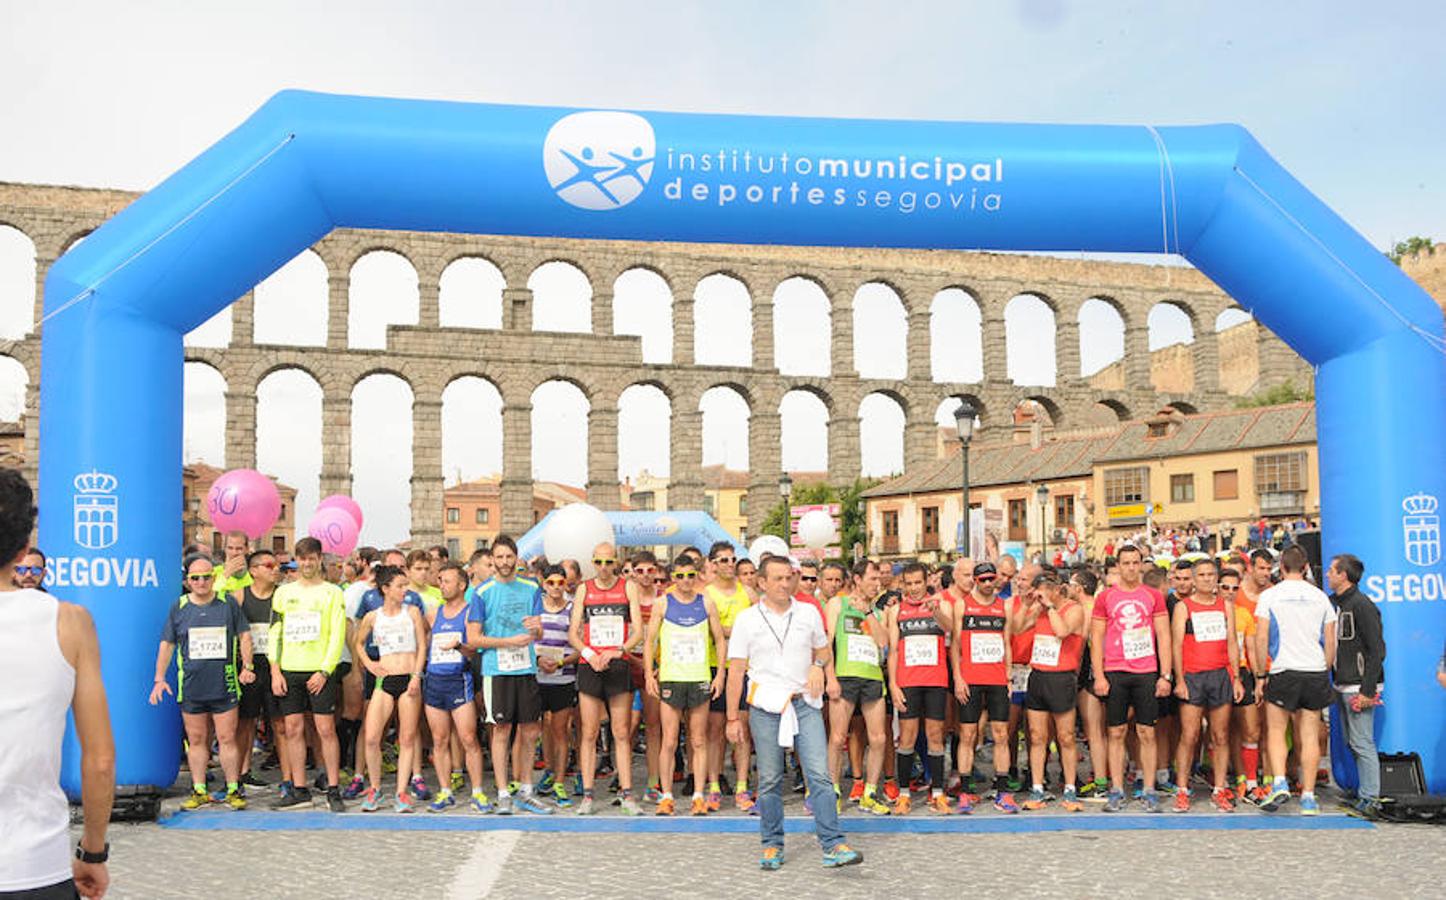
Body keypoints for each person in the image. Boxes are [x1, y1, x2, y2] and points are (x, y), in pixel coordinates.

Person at [0, 469, 114, 899]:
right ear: (24, 549)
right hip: (34, 865)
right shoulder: (69, 622)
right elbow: (100, 759)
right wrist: (94, 852)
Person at [726, 556, 861, 870]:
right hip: (766, 706)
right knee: (771, 779)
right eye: (778, 579)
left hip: (805, 702)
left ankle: (833, 843)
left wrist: (818, 667)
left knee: (820, 775)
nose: (785, 584)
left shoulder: (808, 612)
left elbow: (824, 650)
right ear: (762, 582)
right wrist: (733, 717)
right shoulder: (748, 619)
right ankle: (772, 844)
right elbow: (736, 671)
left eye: (789, 578)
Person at [151, 554, 255, 811]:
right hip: (192, 686)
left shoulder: (227, 603)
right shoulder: (180, 606)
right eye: (195, 578)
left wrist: (247, 666)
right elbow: (167, 643)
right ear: (187, 581)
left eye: (206, 577)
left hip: (224, 682)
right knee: (196, 740)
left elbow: (244, 636)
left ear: (214, 577)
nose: (201, 582)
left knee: (226, 738)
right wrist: (159, 678)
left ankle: (233, 789)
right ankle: (199, 790)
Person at [1254, 545, 1337, 815]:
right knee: (1310, 734)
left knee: (1277, 730)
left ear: (1281, 567)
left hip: (1283, 668)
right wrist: (1324, 668)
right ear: (1305, 568)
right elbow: (1331, 640)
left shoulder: (1270, 596)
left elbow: (1262, 637)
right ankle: (1309, 796)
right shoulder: (1321, 597)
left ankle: (1279, 781)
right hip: (1314, 669)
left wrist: (1260, 674)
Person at [267, 537, 348, 812]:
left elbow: (338, 634)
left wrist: (325, 670)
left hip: (319, 671)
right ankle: (299, 788)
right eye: (302, 558)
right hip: (289, 669)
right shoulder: (283, 593)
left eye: (312, 558)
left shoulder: (332, 592)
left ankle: (333, 788)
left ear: (320, 559)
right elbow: (275, 632)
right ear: (296, 560)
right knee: (293, 729)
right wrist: (275, 669)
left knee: (325, 729)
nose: (307, 563)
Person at [1090, 544, 1172, 813]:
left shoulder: (1152, 596)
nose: (1131, 568)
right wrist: (1099, 675)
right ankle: (1116, 789)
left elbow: (1163, 635)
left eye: (1135, 563)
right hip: (1115, 670)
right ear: (1118, 566)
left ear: (1141, 564)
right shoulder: (1106, 598)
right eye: (1126, 563)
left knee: (1147, 731)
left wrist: (1165, 675)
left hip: (1145, 670)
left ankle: (1148, 789)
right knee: (1116, 731)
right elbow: (1097, 638)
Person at [644, 557, 728, 815]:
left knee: (698, 739)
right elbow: (649, 642)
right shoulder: (662, 603)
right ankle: (666, 796)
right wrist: (649, 674)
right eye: (679, 577)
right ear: (672, 578)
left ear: (696, 577)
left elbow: (720, 640)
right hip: (671, 678)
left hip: (699, 678)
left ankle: (699, 796)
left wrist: (720, 674)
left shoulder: (706, 602)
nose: (685, 582)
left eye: (690, 576)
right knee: (669, 740)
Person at [474, 536, 550, 815]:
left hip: (525, 668)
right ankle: (504, 792)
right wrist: (507, 642)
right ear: (492, 560)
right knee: (502, 731)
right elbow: (473, 638)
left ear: (516, 559)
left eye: (509, 557)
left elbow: (539, 630)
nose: (505, 562)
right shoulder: (483, 593)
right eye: (500, 557)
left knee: (531, 730)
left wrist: (536, 629)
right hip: (497, 670)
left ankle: (526, 790)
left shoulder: (531, 589)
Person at [1170, 559, 1244, 813]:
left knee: (1220, 735)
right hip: (1192, 676)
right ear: (1193, 578)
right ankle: (1181, 789)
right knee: (1189, 736)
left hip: (1220, 675)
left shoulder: (1226, 605)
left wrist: (1236, 677)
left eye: (1211, 575)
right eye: (1201, 575)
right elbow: (1176, 645)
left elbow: (1233, 642)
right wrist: (1179, 680)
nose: (1206, 579)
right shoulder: (1183, 607)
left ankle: (1220, 789)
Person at [353, 564, 429, 812]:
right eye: (400, 585)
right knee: (372, 737)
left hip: (408, 678)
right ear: (386, 589)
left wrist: (417, 675)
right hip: (383, 681)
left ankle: (401, 792)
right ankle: (374, 788)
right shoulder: (373, 616)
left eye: (405, 585)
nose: (404, 590)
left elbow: (421, 646)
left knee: (406, 738)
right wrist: (369, 665)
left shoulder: (413, 612)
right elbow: (359, 643)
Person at [823, 563, 891, 816]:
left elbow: (883, 642)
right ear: (857, 579)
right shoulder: (838, 605)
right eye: (872, 579)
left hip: (872, 677)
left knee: (879, 738)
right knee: (838, 737)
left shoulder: (878, 611)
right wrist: (830, 677)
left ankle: (870, 793)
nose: (877, 583)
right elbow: (827, 643)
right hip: (845, 676)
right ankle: (833, 791)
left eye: (878, 579)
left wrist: (870, 612)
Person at [423, 561, 491, 813]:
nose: (441, 585)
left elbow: (474, 651)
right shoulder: (433, 613)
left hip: (458, 680)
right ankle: (445, 791)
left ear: (461, 585)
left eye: (447, 581)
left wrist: (458, 646)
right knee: (439, 740)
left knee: (468, 738)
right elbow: (423, 642)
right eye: (440, 580)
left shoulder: (470, 612)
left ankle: (478, 793)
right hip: (434, 680)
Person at [952, 561, 1018, 814]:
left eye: (992, 579)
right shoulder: (963, 605)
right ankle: (966, 792)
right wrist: (958, 677)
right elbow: (956, 646)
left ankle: (1003, 791)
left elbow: (1007, 643)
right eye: (984, 580)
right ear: (975, 581)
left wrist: (1009, 677)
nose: (989, 584)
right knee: (968, 735)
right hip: (971, 678)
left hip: (997, 678)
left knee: (1001, 734)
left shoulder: (1004, 607)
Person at [886, 563, 952, 815]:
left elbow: (950, 629)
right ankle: (904, 794)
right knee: (907, 737)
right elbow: (892, 651)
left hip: (935, 680)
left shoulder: (940, 604)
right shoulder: (896, 611)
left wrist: (936, 611)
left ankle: (937, 793)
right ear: (904, 584)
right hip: (908, 681)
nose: (914, 588)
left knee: (935, 736)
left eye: (918, 583)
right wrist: (893, 684)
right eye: (909, 583)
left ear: (927, 582)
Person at [1019, 568, 1086, 812]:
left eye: (1046, 590)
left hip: (1061, 678)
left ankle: (1069, 787)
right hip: (1038, 675)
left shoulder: (1073, 609)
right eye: (1039, 590)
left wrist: (1049, 607)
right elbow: (1017, 627)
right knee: (1037, 736)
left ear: (1057, 589)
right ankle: (1037, 787)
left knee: (1066, 736)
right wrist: (1026, 606)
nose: (1042, 595)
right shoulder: (1039, 609)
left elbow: (1062, 631)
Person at [1326, 553, 1384, 816]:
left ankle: (1371, 798)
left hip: (1359, 685)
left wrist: (1367, 690)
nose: (1327, 574)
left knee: (1362, 742)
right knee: (1352, 741)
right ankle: (1361, 794)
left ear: (1343, 575)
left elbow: (1377, 650)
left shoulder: (1362, 605)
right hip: (1342, 683)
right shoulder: (1335, 604)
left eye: (1331, 571)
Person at [704, 542, 756, 812]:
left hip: (744, 668)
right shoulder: (707, 594)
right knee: (715, 731)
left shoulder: (747, 592)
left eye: (732, 559)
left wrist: (730, 630)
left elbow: (760, 621)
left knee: (742, 731)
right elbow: (712, 630)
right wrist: (736, 629)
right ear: (712, 564)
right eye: (723, 560)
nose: (728, 564)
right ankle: (713, 786)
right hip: (715, 667)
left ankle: (742, 787)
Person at [234, 549, 293, 792]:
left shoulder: (283, 596)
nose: (275, 569)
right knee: (245, 723)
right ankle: (239, 775)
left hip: (277, 666)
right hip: (249, 666)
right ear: (254, 570)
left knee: (280, 724)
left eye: (277, 565)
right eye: (269, 565)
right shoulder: (240, 596)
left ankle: (288, 779)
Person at [534, 564, 578, 807]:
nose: (556, 588)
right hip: (537, 676)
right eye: (551, 583)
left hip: (563, 675)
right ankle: (547, 772)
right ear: (544, 584)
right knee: (537, 729)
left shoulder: (572, 608)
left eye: (560, 583)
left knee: (561, 730)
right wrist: (538, 660)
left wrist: (560, 661)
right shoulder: (536, 606)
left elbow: (578, 645)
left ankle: (560, 781)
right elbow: (527, 640)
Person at [212, 530, 253, 600]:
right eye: (230, 548)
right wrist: (226, 574)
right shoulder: (214, 572)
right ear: (225, 549)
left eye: (239, 549)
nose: (234, 553)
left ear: (247, 549)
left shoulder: (254, 573)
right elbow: (208, 599)